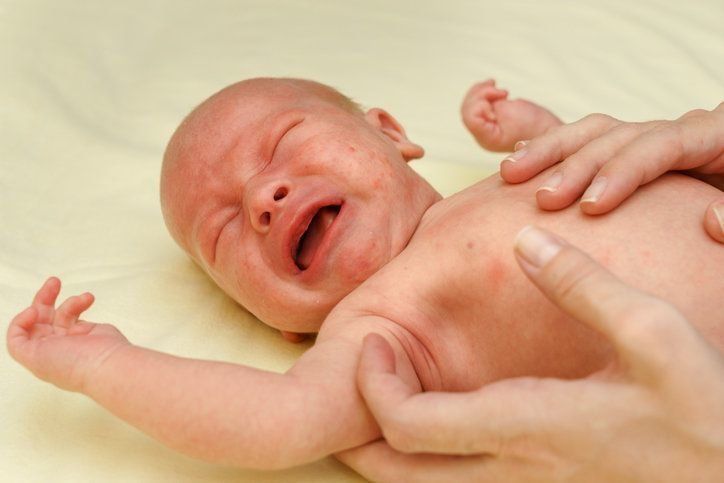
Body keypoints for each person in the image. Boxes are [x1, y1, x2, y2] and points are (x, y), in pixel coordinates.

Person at [6, 78, 724, 473]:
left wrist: (531, 129)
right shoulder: (379, 326)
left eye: (283, 142)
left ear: (389, 131)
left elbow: (586, 166)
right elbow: (277, 421)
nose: (262, 199)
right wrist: (104, 365)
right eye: (223, 233)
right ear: (276, 323)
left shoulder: (501, 180)